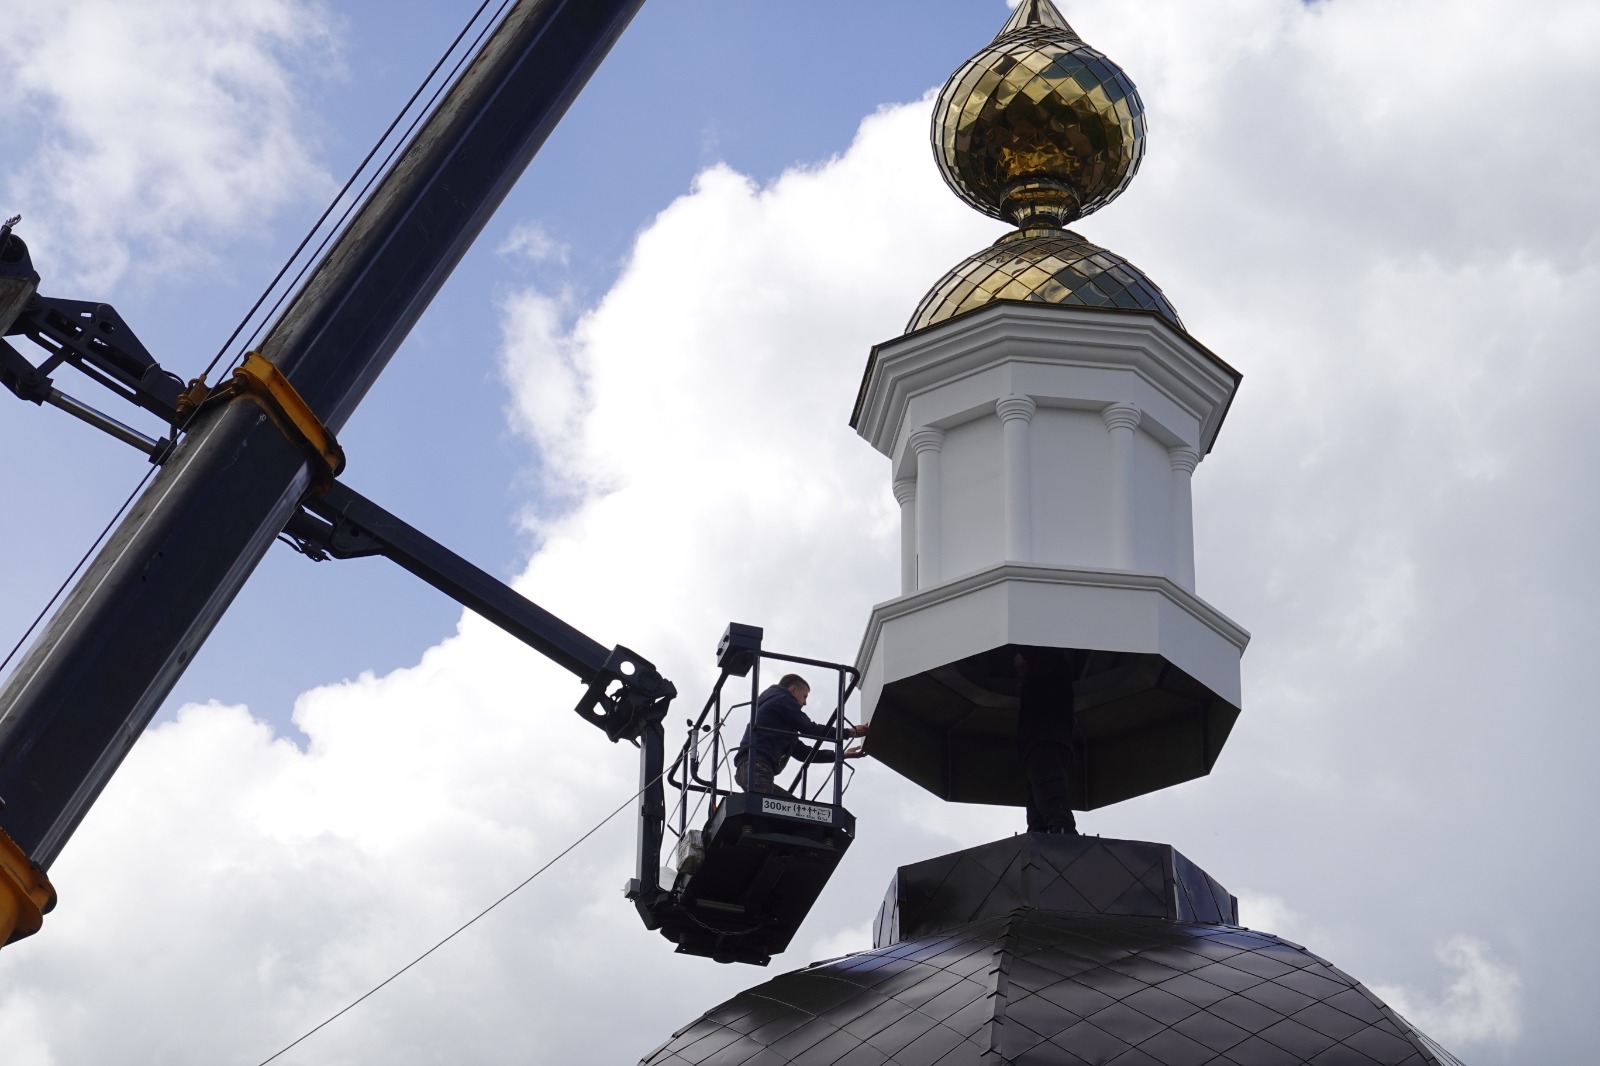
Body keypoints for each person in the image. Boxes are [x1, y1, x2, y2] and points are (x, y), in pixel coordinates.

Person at [734, 674, 868, 796]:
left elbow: (803, 753)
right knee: (781, 810)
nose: (805, 703)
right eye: (805, 696)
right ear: (793, 689)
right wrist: (848, 732)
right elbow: (810, 729)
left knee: (792, 808)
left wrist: (841, 755)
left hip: (751, 767)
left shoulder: (778, 720)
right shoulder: (783, 700)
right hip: (756, 766)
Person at [1014, 648, 1080, 834]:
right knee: (1039, 799)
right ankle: (1041, 835)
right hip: (1042, 743)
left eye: (1021, 668)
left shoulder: (1050, 671)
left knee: (1049, 794)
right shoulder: (1047, 679)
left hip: (1044, 742)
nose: (1019, 675)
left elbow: (1043, 657)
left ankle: (1062, 834)